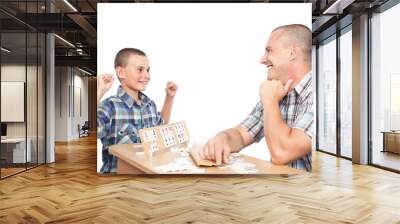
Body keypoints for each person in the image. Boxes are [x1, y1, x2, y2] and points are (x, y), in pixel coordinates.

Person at [200, 24, 313, 171]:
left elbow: (282, 153)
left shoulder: (315, 93)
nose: (262, 59)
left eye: (269, 51)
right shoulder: (277, 91)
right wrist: (223, 138)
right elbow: (241, 134)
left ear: (292, 52)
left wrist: (270, 101)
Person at [97, 48, 178, 173]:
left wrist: (169, 97)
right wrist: (100, 90)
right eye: (140, 69)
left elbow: (161, 126)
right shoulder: (110, 106)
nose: (147, 75)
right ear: (121, 72)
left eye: (148, 70)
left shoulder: (149, 104)